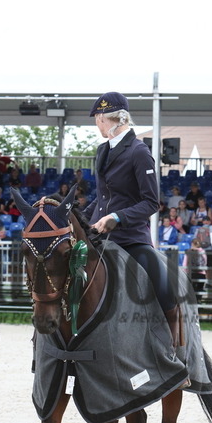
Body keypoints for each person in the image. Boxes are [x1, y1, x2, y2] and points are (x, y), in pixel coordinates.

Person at [84, 91, 181, 347]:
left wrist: (116, 217)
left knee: (162, 285)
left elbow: (151, 202)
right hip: (98, 235)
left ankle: (177, 348)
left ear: (107, 119)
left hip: (130, 237)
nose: (97, 124)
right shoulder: (102, 150)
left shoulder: (139, 151)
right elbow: (102, 196)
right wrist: (80, 218)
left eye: (98, 119)